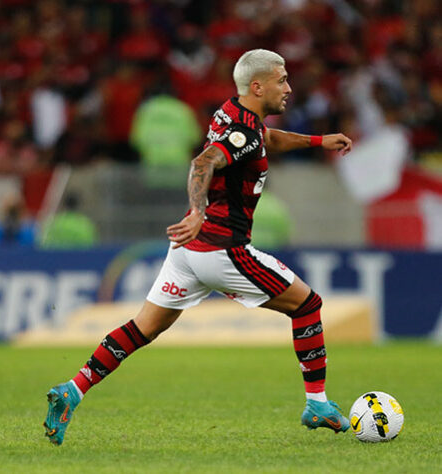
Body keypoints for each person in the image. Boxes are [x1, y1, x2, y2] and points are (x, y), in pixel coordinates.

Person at [43, 49, 354, 446]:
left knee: (144, 328)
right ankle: (317, 404)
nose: (289, 87)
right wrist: (197, 209)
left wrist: (317, 141)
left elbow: (265, 139)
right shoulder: (240, 129)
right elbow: (203, 163)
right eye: (282, 80)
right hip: (222, 249)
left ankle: (73, 390)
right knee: (307, 305)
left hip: (188, 253)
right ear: (257, 86)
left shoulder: (234, 114)